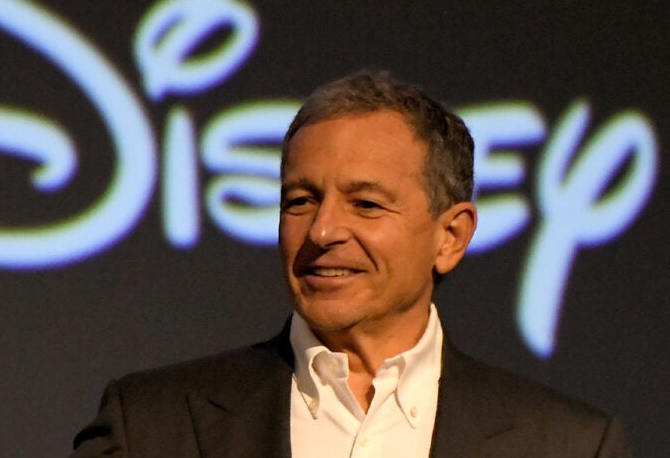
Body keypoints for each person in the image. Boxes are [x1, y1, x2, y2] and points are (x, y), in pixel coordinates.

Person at [70, 71, 631, 457]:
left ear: (451, 236)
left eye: (365, 204)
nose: (322, 231)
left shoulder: (568, 446)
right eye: (300, 201)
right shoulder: (150, 426)